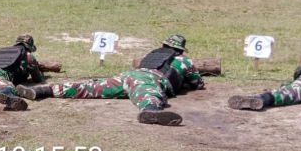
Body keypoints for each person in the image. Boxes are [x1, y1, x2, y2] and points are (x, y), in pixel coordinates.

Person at [15, 34, 204, 126]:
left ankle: (42, 91)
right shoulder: (183, 60)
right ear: (180, 50)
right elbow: (197, 83)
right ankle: (151, 111)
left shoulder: (152, 55)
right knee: (147, 93)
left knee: (89, 87)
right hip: (147, 79)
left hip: (127, 76)